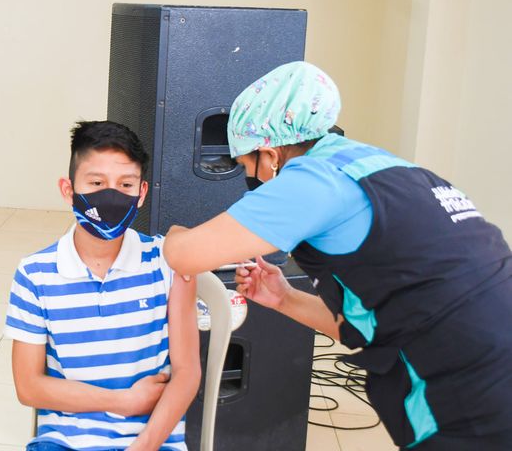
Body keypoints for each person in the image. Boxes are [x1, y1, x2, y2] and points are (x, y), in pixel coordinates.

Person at [163, 61, 512, 450]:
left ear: (270, 154)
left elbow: (183, 256)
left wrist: (172, 234)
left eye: (247, 165)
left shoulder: (312, 180)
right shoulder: (384, 166)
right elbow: (372, 322)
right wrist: (284, 298)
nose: (252, 178)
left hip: (469, 377)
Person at [6, 121, 201, 451]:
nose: (111, 196)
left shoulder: (168, 262)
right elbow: (28, 387)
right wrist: (123, 401)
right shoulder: (35, 274)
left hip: (154, 443)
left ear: (142, 193)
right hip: (65, 443)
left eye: (126, 184)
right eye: (96, 183)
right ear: (68, 189)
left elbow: (187, 374)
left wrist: (144, 446)